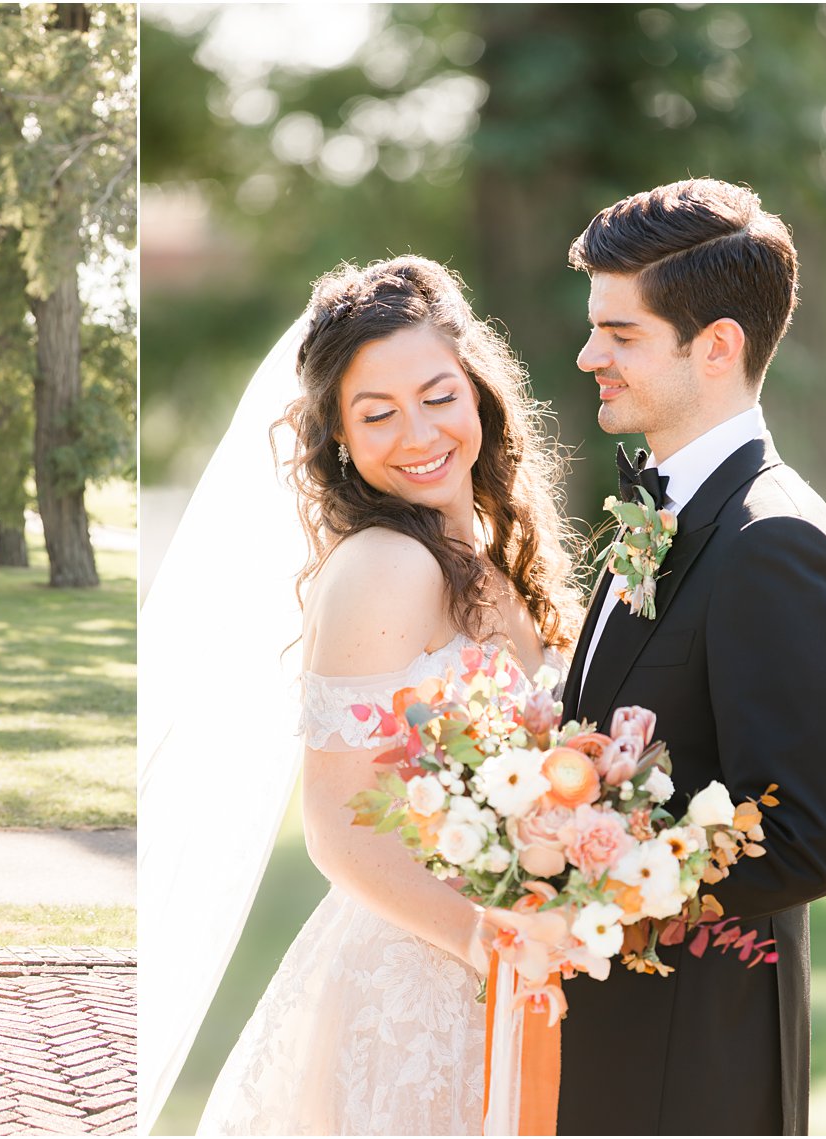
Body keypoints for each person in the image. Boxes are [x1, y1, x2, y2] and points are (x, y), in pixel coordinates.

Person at [139, 255, 587, 1134]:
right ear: (338, 438)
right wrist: (484, 939)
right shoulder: (385, 567)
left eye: (437, 396)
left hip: (521, 964)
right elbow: (338, 824)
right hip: (422, 985)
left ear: (479, 394)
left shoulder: (494, 562)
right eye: (377, 414)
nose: (417, 434)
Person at [557, 178, 826, 1135]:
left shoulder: (774, 540)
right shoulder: (664, 509)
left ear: (718, 345)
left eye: (622, 334)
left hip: (690, 1069)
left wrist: (588, 869)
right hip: (609, 1038)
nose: (587, 354)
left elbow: (802, 836)